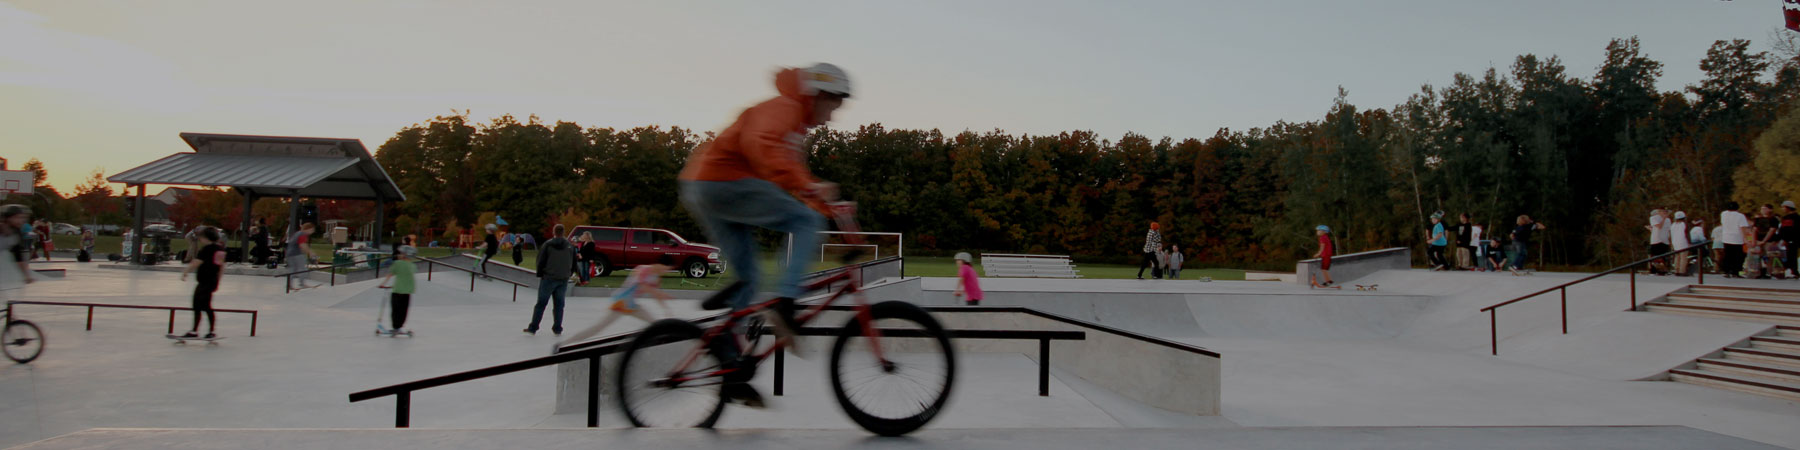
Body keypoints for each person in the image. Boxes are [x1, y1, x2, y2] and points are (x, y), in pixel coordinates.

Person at [678, 62, 851, 407]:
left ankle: (730, 370)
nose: (831, 117)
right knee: (804, 223)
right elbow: (762, 145)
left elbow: (791, 175)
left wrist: (826, 204)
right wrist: (811, 189)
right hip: (722, 181)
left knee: (750, 278)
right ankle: (786, 303)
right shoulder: (785, 109)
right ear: (817, 94)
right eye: (831, 106)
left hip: (704, 186)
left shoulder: (794, 124)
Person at [559, 254, 675, 350]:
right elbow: (644, 287)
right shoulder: (643, 269)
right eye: (666, 269)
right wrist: (660, 294)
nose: (665, 272)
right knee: (598, 328)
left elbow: (656, 294)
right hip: (620, 303)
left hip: (632, 305)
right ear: (661, 265)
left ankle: (665, 344)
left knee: (654, 324)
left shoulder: (656, 277)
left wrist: (666, 309)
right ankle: (562, 344)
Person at [525, 224, 577, 335]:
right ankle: (557, 328)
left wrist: (540, 274)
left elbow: (540, 261)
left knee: (541, 304)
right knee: (559, 305)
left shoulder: (547, 245)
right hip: (563, 278)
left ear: (554, 232)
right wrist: (569, 273)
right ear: (563, 232)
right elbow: (574, 262)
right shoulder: (569, 246)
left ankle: (533, 327)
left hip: (548, 278)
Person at [178, 227, 224, 339]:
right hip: (212, 281)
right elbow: (221, 266)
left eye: (200, 238)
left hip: (204, 281)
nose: (199, 240)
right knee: (207, 306)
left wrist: (185, 272)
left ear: (205, 238)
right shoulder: (220, 249)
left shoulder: (206, 249)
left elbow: (196, 262)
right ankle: (211, 331)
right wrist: (218, 281)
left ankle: (194, 331)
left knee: (197, 305)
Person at [377, 244, 419, 334]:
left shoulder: (397, 263)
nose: (399, 255)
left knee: (395, 310)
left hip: (398, 290)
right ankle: (399, 327)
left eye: (401, 253)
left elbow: (390, 274)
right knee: (403, 311)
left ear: (404, 254)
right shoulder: (413, 266)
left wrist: (382, 284)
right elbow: (407, 277)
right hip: (408, 291)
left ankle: (395, 327)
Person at [1, 206, 38, 302]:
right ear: (8, 218)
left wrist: (26, 276)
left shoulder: (16, 234)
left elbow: (18, 258)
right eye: (17, 217)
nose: (21, 221)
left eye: (23, 218)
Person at [1720, 202, 1751, 278]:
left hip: (1726, 237)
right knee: (1738, 256)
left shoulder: (1723, 214)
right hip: (1737, 238)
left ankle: (1726, 271)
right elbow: (1743, 227)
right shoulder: (1740, 216)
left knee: (1727, 255)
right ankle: (1735, 272)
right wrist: (1745, 238)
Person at [286, 222, 319, 289]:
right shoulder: (302, 234)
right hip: (297, 254)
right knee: (303, 269)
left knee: (292, 269)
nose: (312, 232)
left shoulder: (297, 233)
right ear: (308, 229)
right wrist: (311, 253)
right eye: (312, 230)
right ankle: (302, 283)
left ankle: (289, 285)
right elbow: (302, 245)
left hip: (289, 254)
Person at [1754, 204, 1781, 279]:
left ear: (1770, 210)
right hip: (1758, 240)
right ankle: (1760, 272)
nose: (1762, 210)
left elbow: (1772, 230)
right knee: (1758, 256)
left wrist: (1764, 241)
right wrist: (1754, 241)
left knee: (1769, 256)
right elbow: (1754, 230)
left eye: (1765, 208)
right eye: (1762, 208)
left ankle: (1770, 272)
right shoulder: (1758, 219)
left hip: (1769, 240)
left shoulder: (1773, 219)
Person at [1646, 208, 1670, 275]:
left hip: (1665, 240)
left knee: (1663, 257)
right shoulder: (1653, 218)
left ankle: (1662, 270)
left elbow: (1668, 230)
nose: (1665, 213)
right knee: (1656, 256)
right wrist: (1663, 219)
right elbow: (1659, 226)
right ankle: (1654, 270)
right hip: (1656, 240)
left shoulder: (1668, 220)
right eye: (1663, 211)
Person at [1782, 201, 1800, 279]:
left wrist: (1787, 239)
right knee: (1790, 255)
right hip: (1789, 239)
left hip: (1793, 239)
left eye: (1783, 207)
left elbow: (1790, 230)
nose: (1782, 209)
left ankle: (1794, 271)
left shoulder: (1794, 218)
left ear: (1788, 208)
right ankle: (1792, 270)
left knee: (1792, 255)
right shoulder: (1786, 218)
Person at [1670, 211, 1690, 276]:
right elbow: (1686, 234)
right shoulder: (1684, 224)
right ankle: (1682, 271)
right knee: (1683, 258)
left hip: (1675, 243)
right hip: (1683, 242)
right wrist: (1689, 242)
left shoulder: (1673, 225)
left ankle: (1676, 270)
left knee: (1677, 257)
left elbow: (1670, 235)